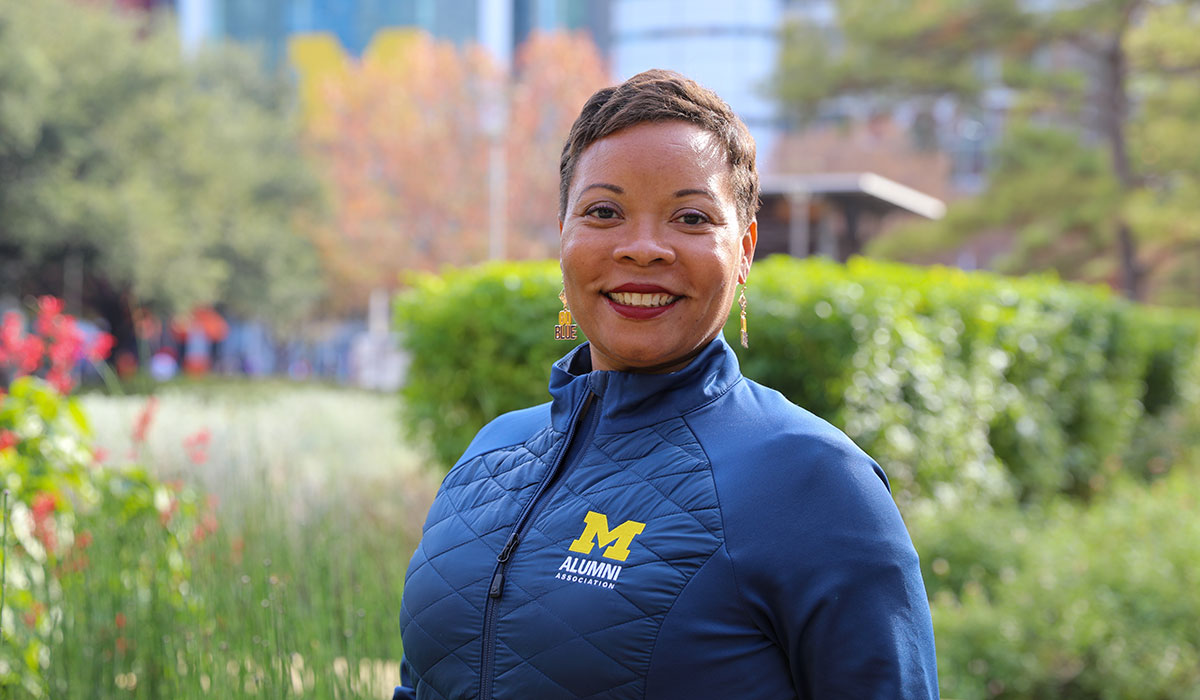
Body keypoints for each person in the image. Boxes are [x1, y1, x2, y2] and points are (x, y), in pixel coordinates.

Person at [393, 69, 938, 700]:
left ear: (745, 249)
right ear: (564, 237)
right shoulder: (490, 454)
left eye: (690, 216)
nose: (643, 248)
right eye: (604, 211)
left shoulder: (812, 481)